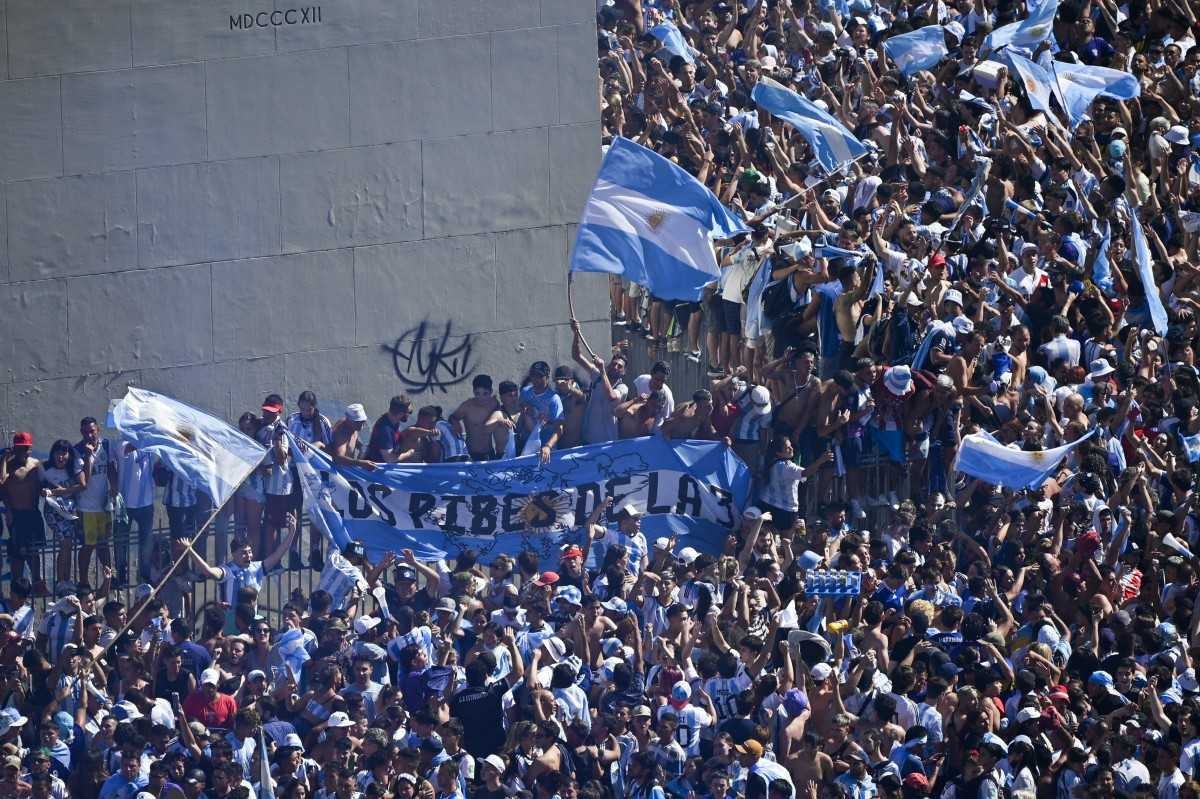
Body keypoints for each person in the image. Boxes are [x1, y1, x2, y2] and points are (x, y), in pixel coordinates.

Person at [0, 433, 45, 594]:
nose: (23, 452)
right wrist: (5, 460)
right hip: (16, 514)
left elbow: (45, 483)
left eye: (26, 449)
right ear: (15, 449)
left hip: (32, 513)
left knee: (34, 551)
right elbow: (1, 483)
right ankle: (16, 587)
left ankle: (38, 583)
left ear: (30, 449)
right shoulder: (9, 466)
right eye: (20, 449)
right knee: (17, 553)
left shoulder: (35, 465)